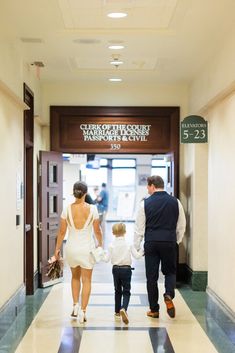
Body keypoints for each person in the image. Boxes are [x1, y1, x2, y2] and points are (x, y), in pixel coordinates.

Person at [134, 175, 186, 319]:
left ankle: (154, 310)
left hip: (151, 242)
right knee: (170, 272)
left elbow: (139, 227)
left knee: (151, 277)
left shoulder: (144, 203)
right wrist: (177, 240)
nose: (147, 189)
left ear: (152, 186)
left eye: (148, 186)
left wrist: (136, 246)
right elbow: (181, 225)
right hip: (169, 241)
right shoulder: (176, 202)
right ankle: (168, 294)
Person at [54, 181, 103, 323]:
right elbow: (97, 231)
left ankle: (75, 306)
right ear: (86, 193)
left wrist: (57, 250)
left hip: (71, 249)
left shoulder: (67, 209)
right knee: (86, 280)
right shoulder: (92, 209)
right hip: (87, 250)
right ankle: (83, 311)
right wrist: (100, 244)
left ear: (74, 193)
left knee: (75, 277)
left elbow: (62, 232)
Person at [104, 223, 143, 324]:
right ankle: (124, 308)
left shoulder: (111, 245)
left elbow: (106, 259)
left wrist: (99, 253)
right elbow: (137, 256)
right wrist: (143, 250)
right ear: (125, 232)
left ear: (113, 233)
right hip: (126, 270)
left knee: (117, 290)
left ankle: (117, 311)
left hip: (115, 270)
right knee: (126, 291)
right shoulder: (129, 244)